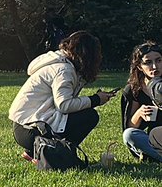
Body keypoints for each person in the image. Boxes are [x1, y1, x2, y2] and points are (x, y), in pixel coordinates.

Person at [9, 30, 117, 160]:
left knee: (84, 115)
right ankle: (59, 154)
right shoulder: (64, 70)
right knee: (89, 116)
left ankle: (35, 153)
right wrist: (95, 100)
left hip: (25, 126)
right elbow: (64, 105)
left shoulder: (63, 65)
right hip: (30, 129)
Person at [121, 41, 162, 164]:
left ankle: (154, 156)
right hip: (154, 139)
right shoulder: (133, 90)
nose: (155, 67)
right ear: (139, 66)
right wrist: (139, 113)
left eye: (159, 60)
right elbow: (129, 127)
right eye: (148, 62)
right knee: (129, 135)